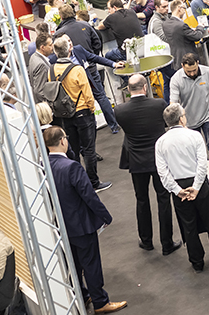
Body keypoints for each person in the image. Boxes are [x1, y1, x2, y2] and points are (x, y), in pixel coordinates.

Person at [43, 127, 127, 314]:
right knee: (91, 264)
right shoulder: (71, 167)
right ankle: (100, 302)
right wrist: (105, 216)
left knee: (73, 264)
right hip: (81, 225)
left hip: (62, 226)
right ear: (63, 141)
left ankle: (81, 294)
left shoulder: (44, 166)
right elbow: (89, 196)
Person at [155, 102, 209, 273]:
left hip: (179, 187)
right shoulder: (194, 136)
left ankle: (197, 261)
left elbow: (163, 172)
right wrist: (196, 187)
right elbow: (202, 164)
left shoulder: (160, 143)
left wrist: (177, 190)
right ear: (182, 119)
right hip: (199, 184)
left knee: (188, 225)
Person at [114, 75, 182, 256]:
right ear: (145, 87)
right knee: (163, 200)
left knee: (141, 200)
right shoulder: (159, 105)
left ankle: (146, 240)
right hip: (159, 160)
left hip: (136, 162)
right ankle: (167, 243)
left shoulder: (120, 110)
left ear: (128, 89)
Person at [49, 36, 111, 191]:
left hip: (65, 115)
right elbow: (88, 93)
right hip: (83, 112)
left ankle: (77, 181)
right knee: (89, 149)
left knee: (73, 150)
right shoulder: (77, 70)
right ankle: (94, 183)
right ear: (69, 49)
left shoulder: (52, 69)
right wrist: (91, 108)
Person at [27, 32, 53, 103]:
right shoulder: (41, 65)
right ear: (42, 47)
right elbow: (39, 91)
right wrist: (51, 104)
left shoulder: (33, 57)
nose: (52, 47)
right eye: (50, 45)